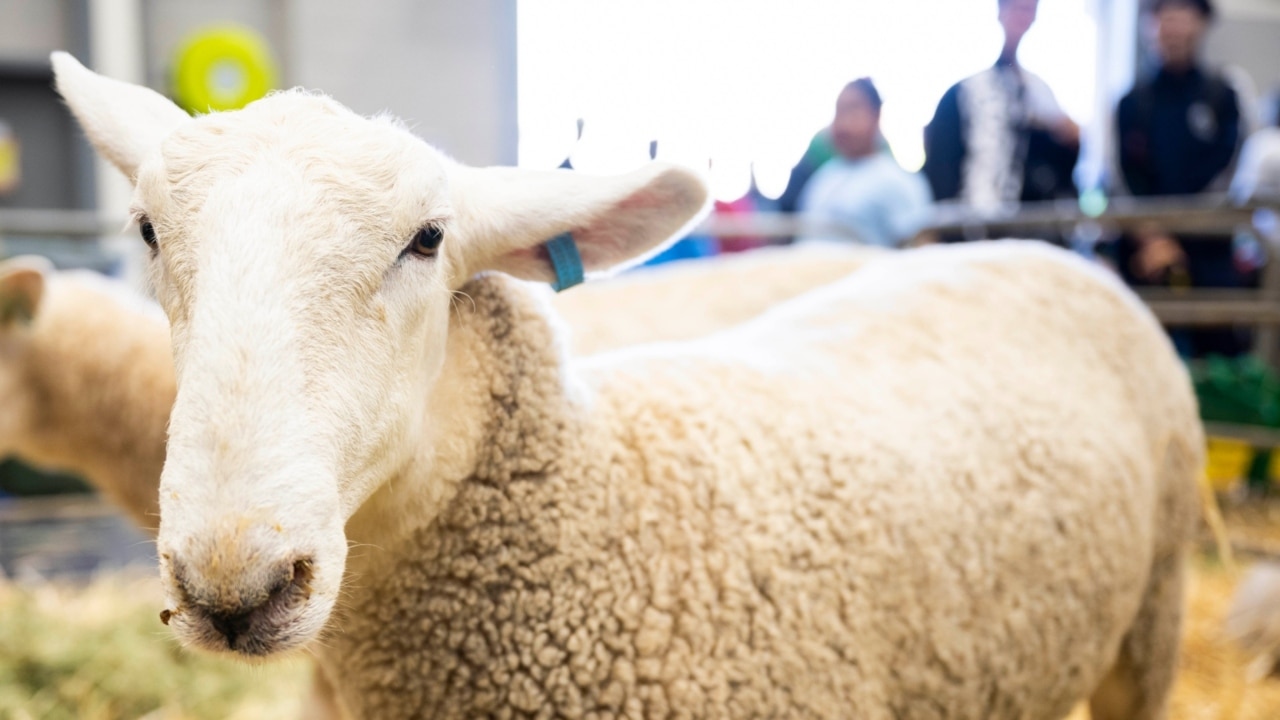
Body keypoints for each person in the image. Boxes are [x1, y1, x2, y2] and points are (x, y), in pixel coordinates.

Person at [1115, 0, 1250, 357]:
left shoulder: (1224, 96)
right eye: (1161, 14)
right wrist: (1152, 234)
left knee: (1219, 365)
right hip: (1145, 256)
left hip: (1209, 253)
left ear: (1202, 23)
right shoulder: (1130, 103)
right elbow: (1121, 179)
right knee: (1139, 359)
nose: (1171, 25)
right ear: (1148, 25)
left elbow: (1229, 172)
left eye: (1182, 13)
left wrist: (1178, 235)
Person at [922, 0, 1080, 213]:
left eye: (1028, 9)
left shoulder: (1040, 93)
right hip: (969, 225)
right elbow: (940, 166)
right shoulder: (964, 92)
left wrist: (1071, 139)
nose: (1021, 16)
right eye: (1016, 7)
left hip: (1027, 225)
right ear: (1000, 10)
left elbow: (1060, 165)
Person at [796, 78, 932, 248]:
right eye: (839, 112)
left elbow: (918, 248)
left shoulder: (897, 182)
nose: (842, 123)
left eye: (852, 111)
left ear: (876, 116)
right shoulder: (823, 178)